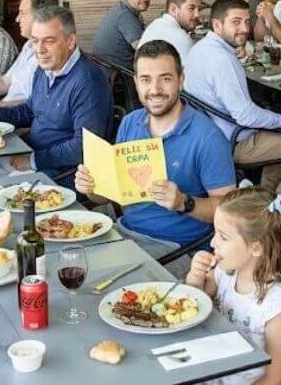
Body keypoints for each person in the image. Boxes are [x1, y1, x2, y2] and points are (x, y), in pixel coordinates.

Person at [74, 41, 236, 273]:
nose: (155, 89)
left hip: (176, 248)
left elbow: (229, 212)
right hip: (124, 233)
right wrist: (91, 187)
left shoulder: (208, 137)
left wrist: (184, 202)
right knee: (68, 262)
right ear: (136, 83)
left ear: (181, 80)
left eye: (165, 78)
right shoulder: (131, 122)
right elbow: (110, 196)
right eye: (146, 79)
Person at [184, 0, 281, 210]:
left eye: (246, 21)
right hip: (233, 142)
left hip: (212, 133)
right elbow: (246, 116)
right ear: (216, 25)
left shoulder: (200, 48)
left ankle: (265, 202)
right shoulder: (222, 59)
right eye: (235, 22)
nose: (244, 28)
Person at [0, 6, 112, 183]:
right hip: (31, 156)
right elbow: (29, 111)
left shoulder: (88, 82)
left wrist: (33, 161)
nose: (39, 50)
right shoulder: (45, 69)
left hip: (61, 173)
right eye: (35, 41)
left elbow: (84, 147)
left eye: (49, 41)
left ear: (70, 41)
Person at [186, 186, 281, 385]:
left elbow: (275, 378)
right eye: (215, 233)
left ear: (256, 247)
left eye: (223, 237)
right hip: (229, 370)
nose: (212, 242)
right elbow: (192, 305)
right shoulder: (226, 273)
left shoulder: (279, 306)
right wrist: (196, 275)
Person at [93, 0, 151, 71]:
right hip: (119, 76)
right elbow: (145, 51)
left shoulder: (123, 9)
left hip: (108, 69)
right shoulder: (124, 16)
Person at [138, 0, 204, 60]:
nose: (197, 15)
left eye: (199, 9)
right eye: (191, 8)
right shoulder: (181, 38)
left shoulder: (156, 24)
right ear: (173, 9)